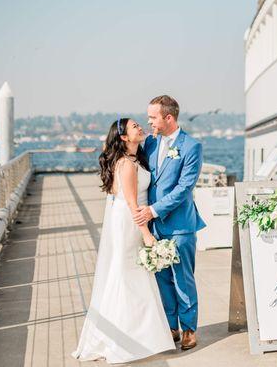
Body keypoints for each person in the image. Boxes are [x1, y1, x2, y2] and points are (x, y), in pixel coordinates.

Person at [72, 118, 175, 364]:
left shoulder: (133, 160)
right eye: (135, 127)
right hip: (129, 222)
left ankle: (136, 336)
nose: (140, 128)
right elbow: (132, 204)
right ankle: (124, 340)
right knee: (128, 275)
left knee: (130, 275)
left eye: (140, 124)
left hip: (127, 220)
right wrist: (146, 234)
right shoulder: (127, 165)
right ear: (124, 138)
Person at [133, 95, 206, 351]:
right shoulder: (150, 143)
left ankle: (188, 329)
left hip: (180, 225)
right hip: (155, 228)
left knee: (183, 279)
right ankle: (170, 326)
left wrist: (153, 210)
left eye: (152, 117)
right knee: (162, 278)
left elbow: (184, 188)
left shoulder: (191, 147)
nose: (149, 121)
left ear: (168, 117)